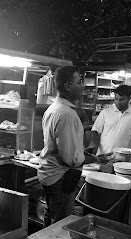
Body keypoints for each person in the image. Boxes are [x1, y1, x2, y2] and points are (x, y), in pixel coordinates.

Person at [38, 66, 95, 227]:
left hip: (49, 173)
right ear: (69, 85)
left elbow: (62, 144)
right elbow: (70, 158)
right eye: (79, 82)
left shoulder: (53, 108)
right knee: (60, 223)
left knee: (50, 214)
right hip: (60, 177)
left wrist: (80, 151)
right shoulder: (67, 114)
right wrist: (90, 159)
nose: (82, 86)